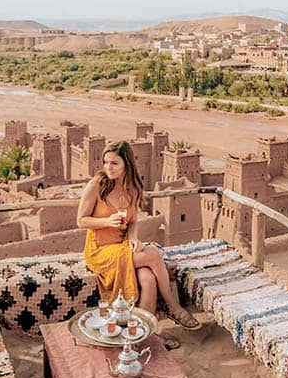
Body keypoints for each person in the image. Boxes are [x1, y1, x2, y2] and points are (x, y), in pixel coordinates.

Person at [77, 140, 201, 330]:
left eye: (114, 163)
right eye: (106, 162)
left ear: (127, 164)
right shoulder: (98, 184)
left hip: (122, 245)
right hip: (100, 250)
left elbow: (133, 220)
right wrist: (107, 222)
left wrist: (133, 238)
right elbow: (81, 220)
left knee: (148, 280)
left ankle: (145, 333)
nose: (108, 167)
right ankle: (173, 306)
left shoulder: (133, 188)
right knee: (152, 254)